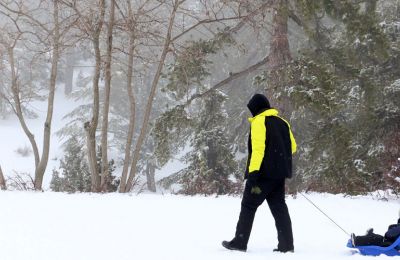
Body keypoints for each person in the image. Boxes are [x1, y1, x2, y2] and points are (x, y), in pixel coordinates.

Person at [222, 93, 297, 253]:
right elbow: (293, 147)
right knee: (279, 208)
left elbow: (258, 150)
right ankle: (286, 245)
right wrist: (278, 155)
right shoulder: (282, 122)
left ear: (256, 108)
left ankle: (239, 242)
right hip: (279, 175)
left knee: (248, 205)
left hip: (262, 176)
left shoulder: (259, 122)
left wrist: (253, 172)